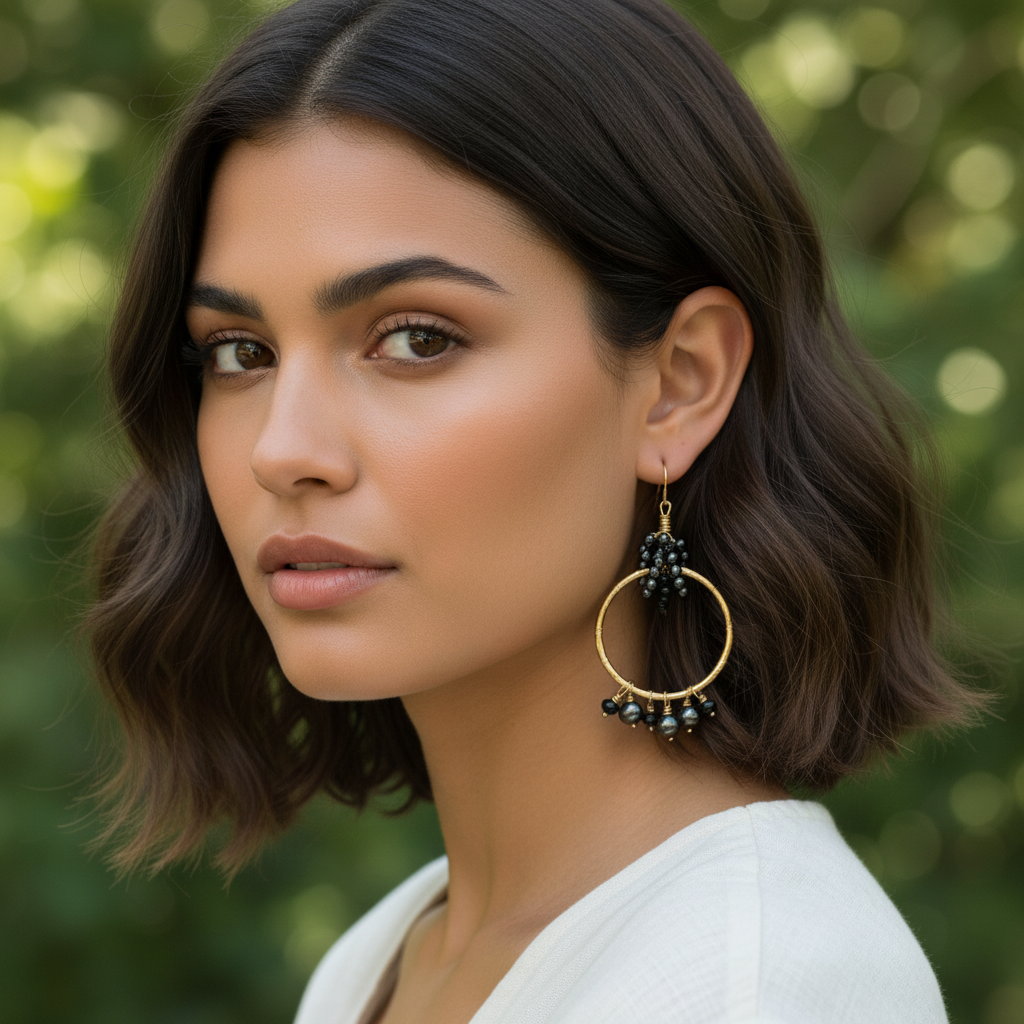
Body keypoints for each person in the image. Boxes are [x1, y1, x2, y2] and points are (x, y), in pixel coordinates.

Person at [85, 0, 985, 1020]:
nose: (282, 448)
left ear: (680, 383)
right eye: (239, 353)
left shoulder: (757, 984)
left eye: (416, 338)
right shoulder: (380, 957)